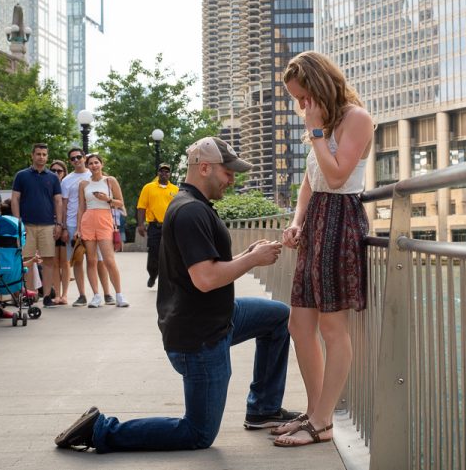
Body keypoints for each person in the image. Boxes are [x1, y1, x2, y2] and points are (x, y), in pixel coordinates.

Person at [54, 136, 299, 452]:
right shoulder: (190, 212)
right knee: (198, 434)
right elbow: (206, 279)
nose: (232, 180)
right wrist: (252, 260)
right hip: (199, 338)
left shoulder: (192, 205)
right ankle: (101, 431)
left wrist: (244, 255)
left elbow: (205, 268)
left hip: (216, 317)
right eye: (228, 173)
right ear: (205, 168)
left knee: (278, 317)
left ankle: (263, 409)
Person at [273, 51, 373, 447]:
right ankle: (315, 413)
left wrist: (315, 131)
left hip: (341, 222)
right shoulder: (322, 123)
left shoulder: (356, 118)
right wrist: (296, 221)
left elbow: (336, 176)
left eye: (303, 97)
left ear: (318, 86)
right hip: (315, 223)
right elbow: (310, 183)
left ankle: (323, 421)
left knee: (333, 328)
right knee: (299, 324)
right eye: (296, 100)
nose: (301, 106)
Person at [11, 143, 64, 307]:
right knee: (27, 260)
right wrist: (17, 221)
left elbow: (58, 201)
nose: (41, 157)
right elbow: (15, 199)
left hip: (48, 224)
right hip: (26, 225)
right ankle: (30, 295)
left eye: (44, 154)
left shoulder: (53, 177)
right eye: (38, 154)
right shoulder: (21, 175)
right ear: (32, 155)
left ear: (47, 157)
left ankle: (47, 296)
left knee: (48, 260)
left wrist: (59, 223)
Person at [75, 153, 127, 308]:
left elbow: (120, 203)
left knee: (108, 260)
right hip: (88, 220)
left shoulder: (110, 180)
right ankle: (96, 295)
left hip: (104, 219)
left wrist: (107, 199)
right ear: (87, 166)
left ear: (101, 164)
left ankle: (119, 294)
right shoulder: (83, 183)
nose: (93, 166)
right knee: (90, 260)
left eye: (96, 162)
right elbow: (81, 207)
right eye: (90, 163)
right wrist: (78, 228)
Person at [136, 162, 178, 287]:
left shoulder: (175, 190)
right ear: (158, 173)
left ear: (169, 174)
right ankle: (153, 274)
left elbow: (178, 208)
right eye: (162, 171)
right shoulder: (148, 187)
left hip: (170, 226)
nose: (164, 173)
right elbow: (141, 207)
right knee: (154, 253)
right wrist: (140, 224)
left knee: (170, 253)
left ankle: (168, 280)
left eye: (166, 171)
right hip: (154, 226)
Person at [49, 160, 70, 305]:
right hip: (50, 226)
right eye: (53, 171)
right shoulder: (47, 185)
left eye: (59, 171)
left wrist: (65, 227)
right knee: (54, 262)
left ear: (64, 172)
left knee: (65, 262)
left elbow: (69, 208)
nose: (56, 173)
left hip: (66, 225)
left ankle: (65, 295)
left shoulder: (66, 186)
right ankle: (56, 294)